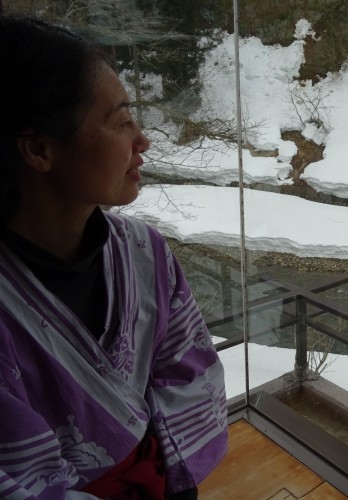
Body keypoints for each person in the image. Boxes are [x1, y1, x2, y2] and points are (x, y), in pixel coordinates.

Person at [0, 15, 228, 499]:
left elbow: (188, 371)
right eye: (122, 121)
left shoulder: (146, 252)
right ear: (40, 149)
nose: (142, 141)